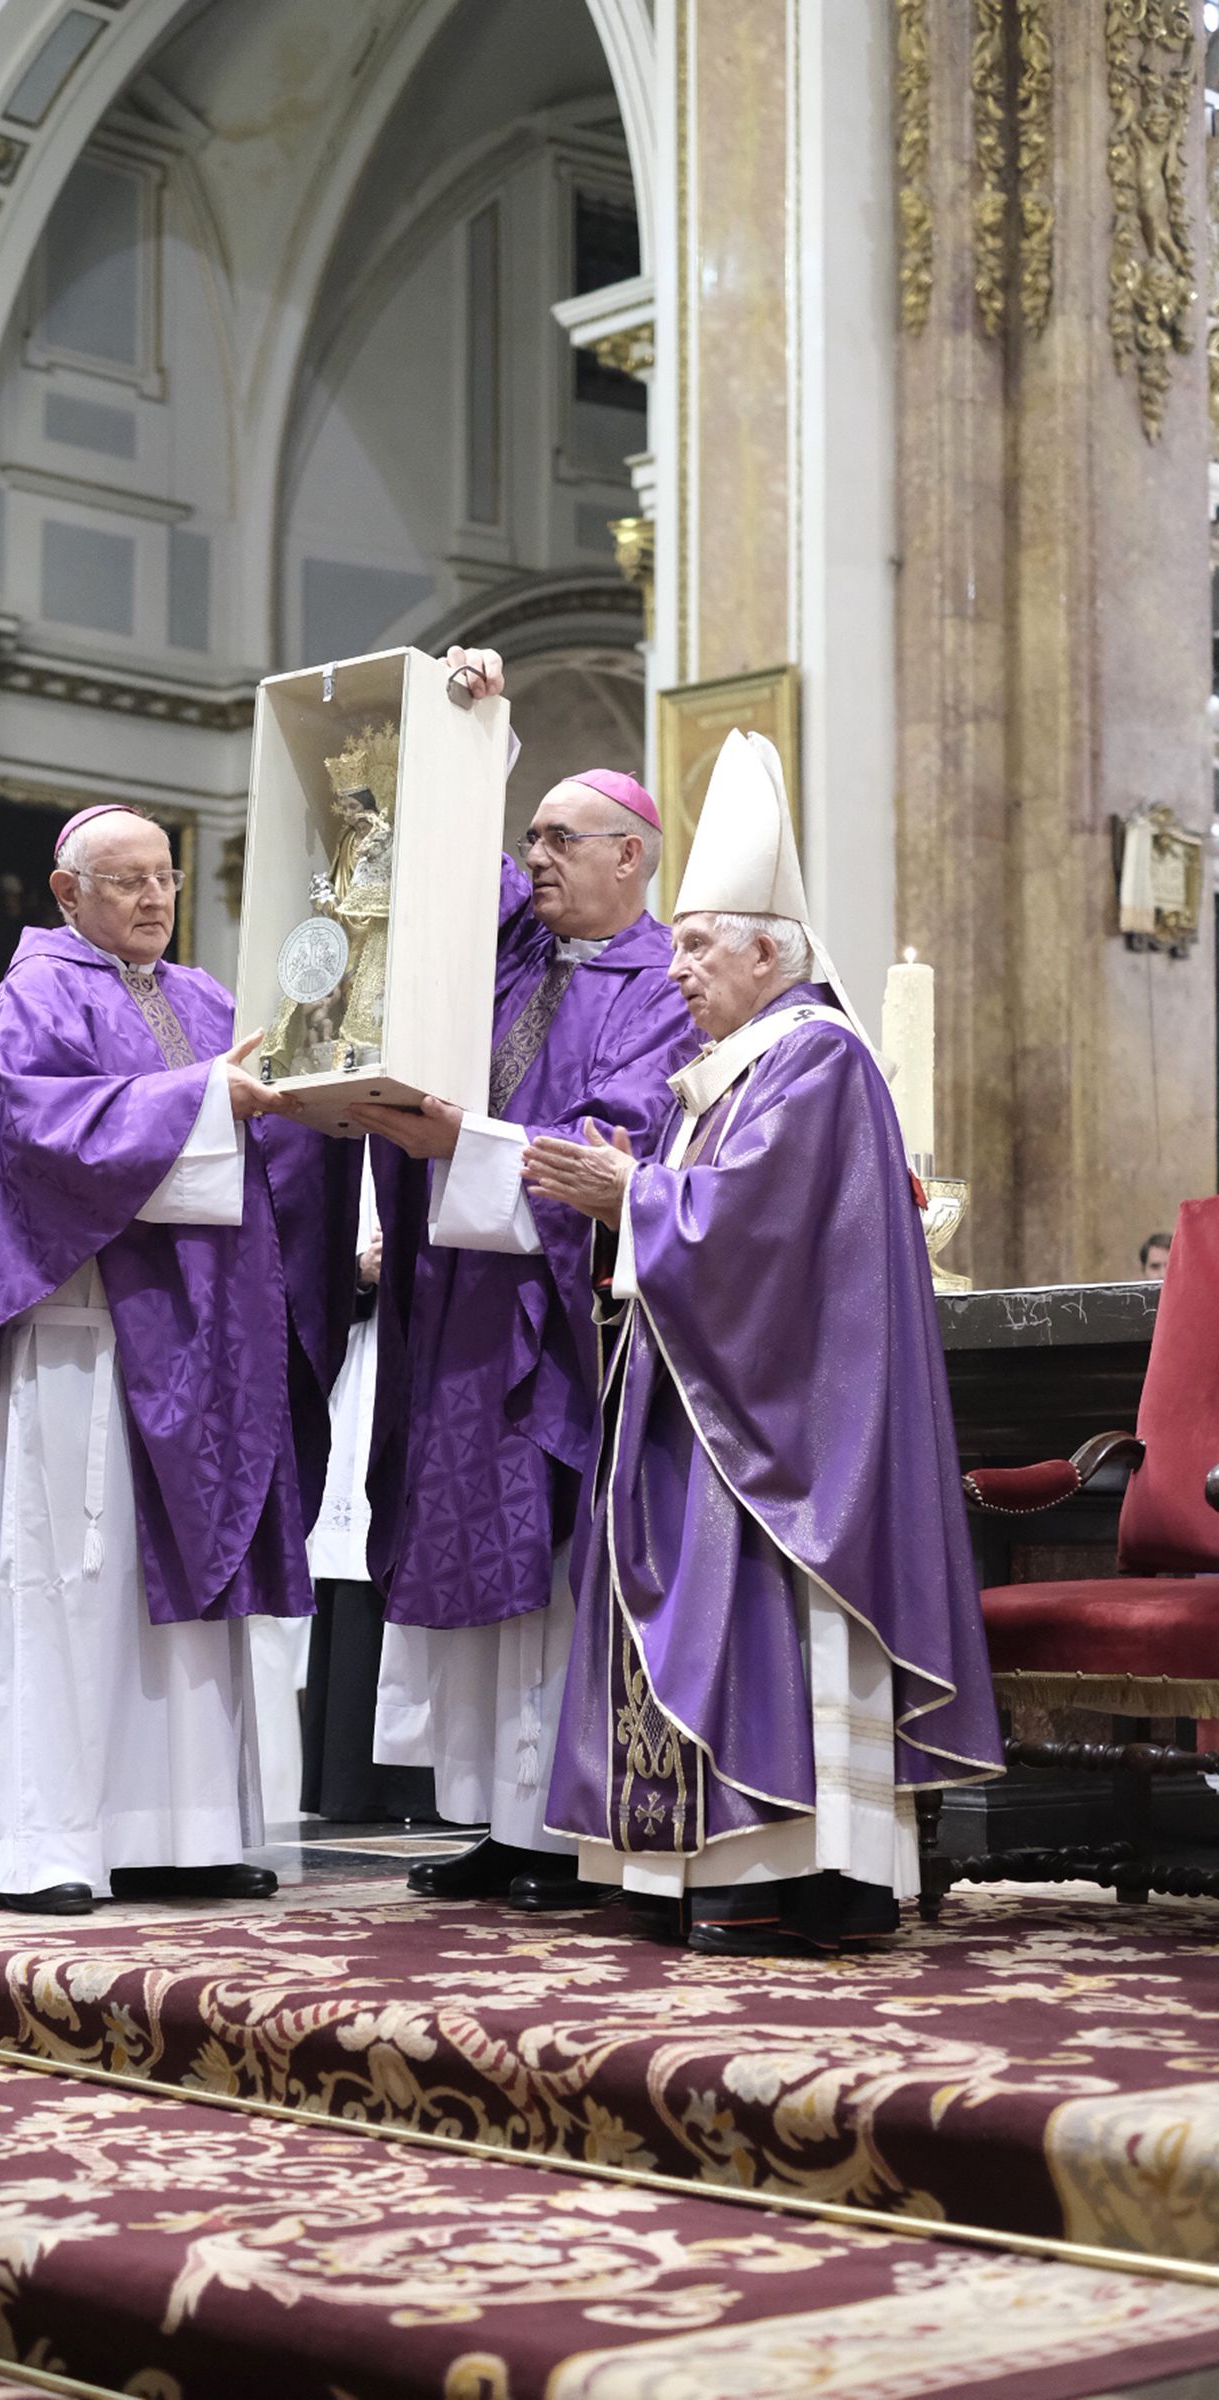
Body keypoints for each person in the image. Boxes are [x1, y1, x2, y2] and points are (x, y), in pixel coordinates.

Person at [526, 728, 1002, 1954]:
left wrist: (627, 1199)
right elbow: (716, 1209)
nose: (675, 970)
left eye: (694, 946)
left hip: (784, 1424)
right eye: (676, 944)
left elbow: (762, 1225)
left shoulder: (815, 1054)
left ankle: (791, 1865)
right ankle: (715, 1862)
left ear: (766, 952)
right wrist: (636, 1188)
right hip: (710, 1399)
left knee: (765, 1621)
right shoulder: (728, 1068)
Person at [0, 802, 356, 1914]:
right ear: (68, 893)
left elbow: (268, 1143)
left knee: (192, 1590)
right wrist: (206, 1099)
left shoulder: (205, 1001)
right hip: (78, 1344)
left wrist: (333, 1103)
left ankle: (185, 1833)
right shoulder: (28, 1005)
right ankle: (47, 1843)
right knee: (71, 1585)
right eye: (126, 881)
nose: (154, 898)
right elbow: (40, 1135)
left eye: (164, 877)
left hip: (198, 1344)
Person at [353, 647, 698, 1907]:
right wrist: (474, 723)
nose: (537, 858)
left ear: (631, 860)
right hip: (457, 1308)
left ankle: (562, 1824)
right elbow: (449, 855)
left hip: (552, 1325)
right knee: (471, 1574)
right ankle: (498, 1821)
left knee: (551, 1570)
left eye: (562, 840)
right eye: (535, 836)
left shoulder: (662, 987)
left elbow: (616, 1146)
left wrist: (461, 1149)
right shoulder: (509, 951)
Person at [300, 1184, 436, 1825]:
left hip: (433, 1366)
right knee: (356, 1564)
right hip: (361, 1371)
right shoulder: (337, 1149)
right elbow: (295, 1274)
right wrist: (357, 1274)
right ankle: (352, 1784)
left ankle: (429, 1789)